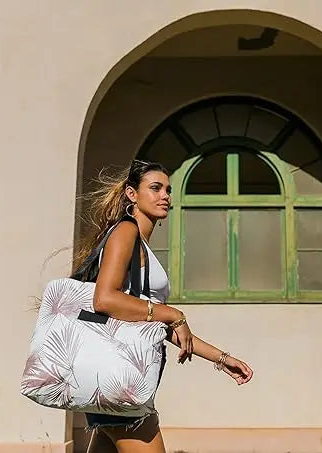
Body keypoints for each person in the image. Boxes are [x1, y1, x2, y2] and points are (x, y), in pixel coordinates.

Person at [75, 159, 254, 453]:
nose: (165, 196)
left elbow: (155, 323)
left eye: (168, 190)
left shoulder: (140, 245)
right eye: (156, 188)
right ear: (132, 194)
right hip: (121, 386)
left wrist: (221, 359)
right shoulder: (126, 232)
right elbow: (104, 299)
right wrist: (173, 313)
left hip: (120, 383)